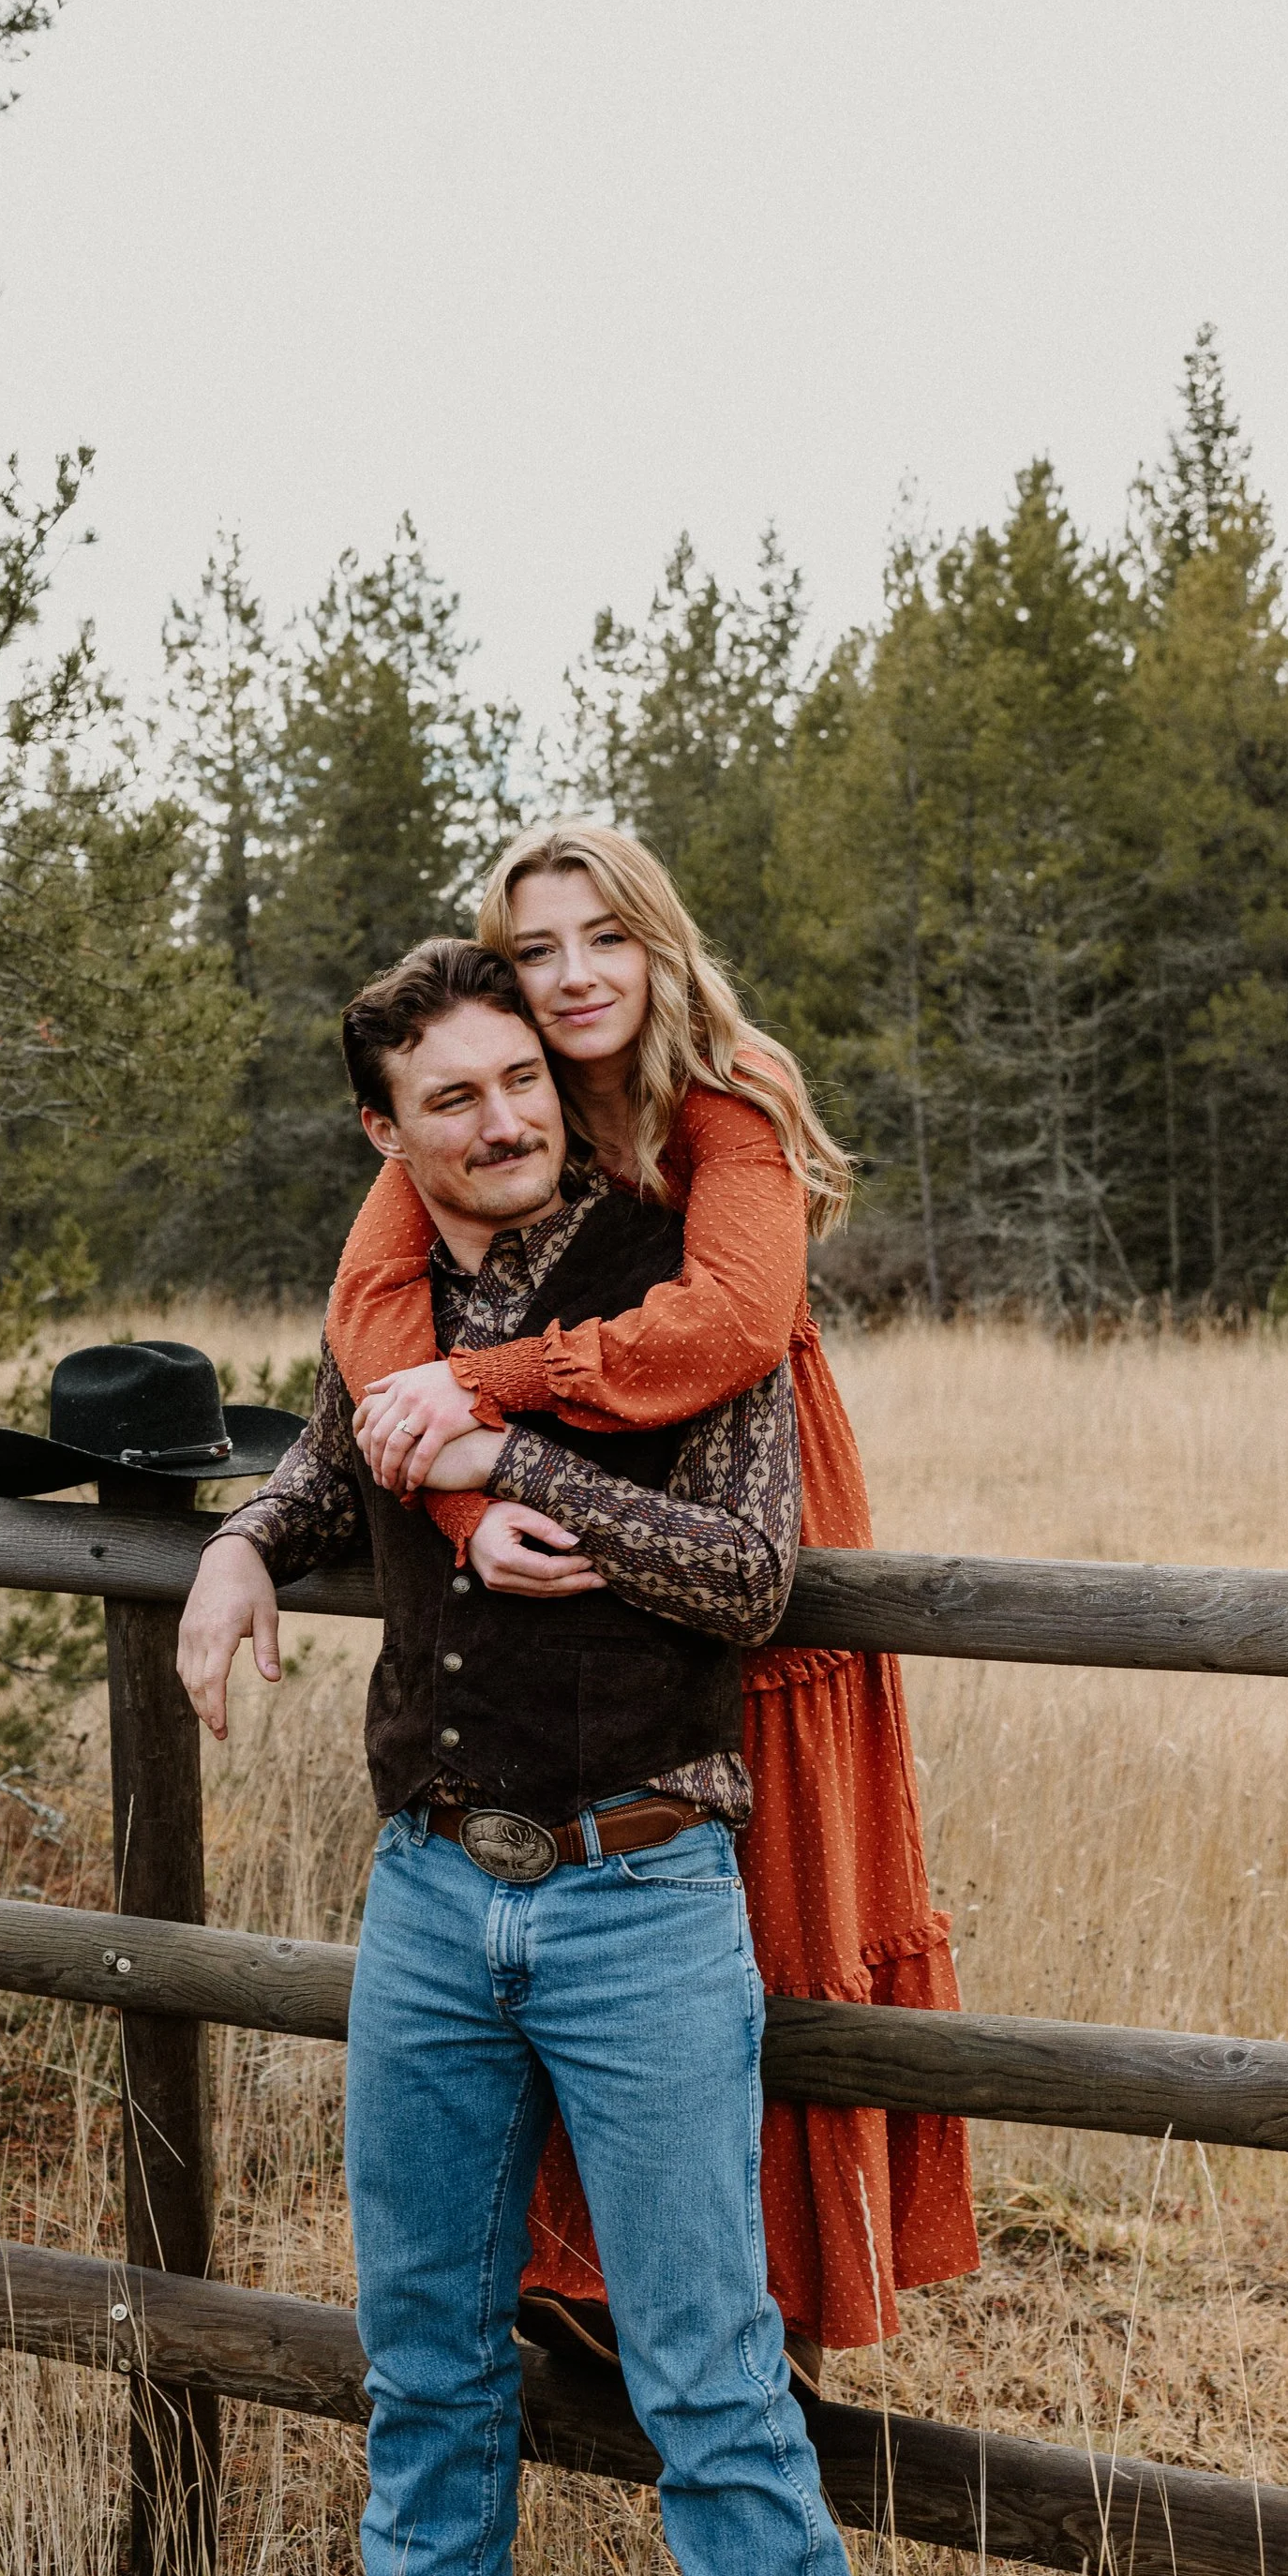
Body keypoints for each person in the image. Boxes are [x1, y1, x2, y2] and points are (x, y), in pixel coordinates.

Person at [177, 937, 853, 2576]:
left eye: (514, 1080)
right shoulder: (390, 1306)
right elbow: (321, 1465)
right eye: (447, 1097)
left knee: (705, 2378)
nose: (500, 1115)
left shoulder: (670, 1282)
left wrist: (507, 1467)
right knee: (430, 2352)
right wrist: (232, 1543)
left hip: (638, 1881)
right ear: (385, 1138)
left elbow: (749, 1572)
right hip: (424, 1891)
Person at [329, 821, 981, 2379]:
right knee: (593, 1868)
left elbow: (734, 1321)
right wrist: (470, 1492)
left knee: (756, 1906)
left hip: (727, 1474)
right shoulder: (494, 1093)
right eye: (536, 946)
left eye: (604, 936)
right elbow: (368, 1317)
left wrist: (489, 1393)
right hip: (558, 1497)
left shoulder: (722, 1093)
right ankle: (596, 2301)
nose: (572, 977)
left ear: (658, 941)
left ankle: (773, 2337)